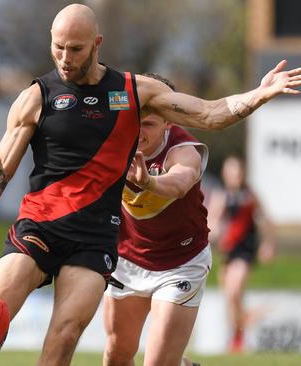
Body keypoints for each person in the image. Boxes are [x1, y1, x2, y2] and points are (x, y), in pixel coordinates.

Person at [0, 4, 301, 365]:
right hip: (39, 227)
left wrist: (260, 94)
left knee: (64, 337)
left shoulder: (134, 91)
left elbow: (210, 114)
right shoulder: (36, 97)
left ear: (97, 44)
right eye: (58, 48)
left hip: (94, 241)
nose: (65, 59)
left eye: (75, 49)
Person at [103, 73, 208, 366]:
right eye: (133, 120)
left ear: (168, 122)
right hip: (127, 259)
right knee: (116, 355)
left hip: (180, 263)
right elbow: (101, 96)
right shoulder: (113, 133)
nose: (137, 132)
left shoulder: (184, 150)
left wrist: (148, 182)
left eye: (148, 124)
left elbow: (179, 183)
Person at [207, 155, 276, 353]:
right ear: (225, 174)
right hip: (228, 251)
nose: (235, 176)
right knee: (230, 298)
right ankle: (239, 333)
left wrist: (268, 244)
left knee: (235, 289)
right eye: (231, 172)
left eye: (237, 171)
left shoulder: (249, 195)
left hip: (245, 251)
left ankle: (240, 331)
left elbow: (265, 220)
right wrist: (215, 231)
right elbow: (212, 220)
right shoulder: (222, 196)